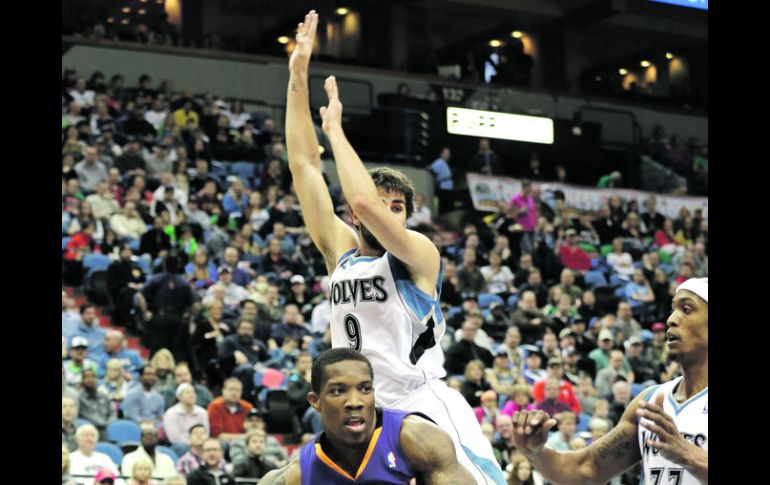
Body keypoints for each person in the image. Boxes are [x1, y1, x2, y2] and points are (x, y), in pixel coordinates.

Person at [284, 10, 504, 485]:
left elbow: (362, 199)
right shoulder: (340, 252)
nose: (386, 213)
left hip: (420, 404)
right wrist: (298, 74)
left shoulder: (420, 254)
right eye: (381, 205)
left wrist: (337, 133)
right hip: (359, 408)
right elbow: (303, 166)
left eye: (397, 207)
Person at [509, 278, 707, 484]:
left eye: (686, 309)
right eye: (673, 309)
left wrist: (689, 455)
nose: (672, 319)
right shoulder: (651, 400)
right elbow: (587, 468)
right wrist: (535, 452)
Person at [258, 347, 476, 484]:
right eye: (338, 391)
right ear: (315, 401)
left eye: (364, 389)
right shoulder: (298, 474)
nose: (355, 402)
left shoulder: (418, 438)